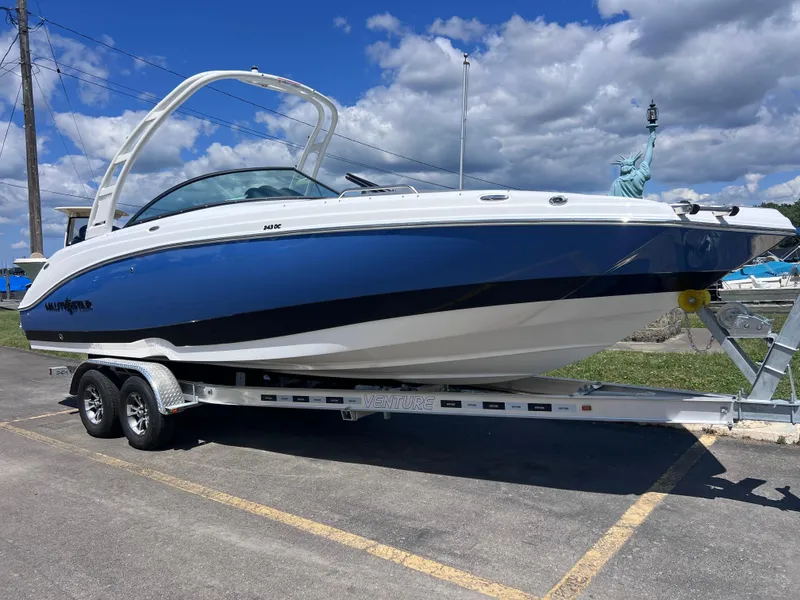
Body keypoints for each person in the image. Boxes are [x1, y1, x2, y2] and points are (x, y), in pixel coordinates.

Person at [609, 130, 656, 198]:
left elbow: (610, 199)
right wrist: (649, 144)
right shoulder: (639, 175)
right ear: (632, 166)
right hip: (637, 207)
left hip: (621, 208)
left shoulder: (616, 183)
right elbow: (647, 160)